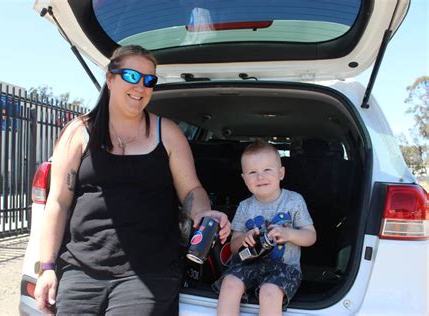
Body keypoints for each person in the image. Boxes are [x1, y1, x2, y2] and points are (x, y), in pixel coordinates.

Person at [33, 45, 231, 315]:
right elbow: (58, 202)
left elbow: (192, 189)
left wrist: (203, 212)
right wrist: (46, 268)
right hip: (81, 268)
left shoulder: (168, 133)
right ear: (110, 78)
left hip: (149, 272)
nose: (141, 86)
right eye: (131, 76)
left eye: (149, 80)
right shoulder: (79, 132)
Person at [215, 140, 316, 316]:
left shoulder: (294, 201)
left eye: (267, 170)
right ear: (244, 179)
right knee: (229, 283)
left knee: (269, 293)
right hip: (249, 263)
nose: (260, 177)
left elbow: (310, 236)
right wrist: (244, 238)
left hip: (284, 268)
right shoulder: (244, 206)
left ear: (281, 173)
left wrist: (288, 233)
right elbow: (233, 246)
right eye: (252, 172)